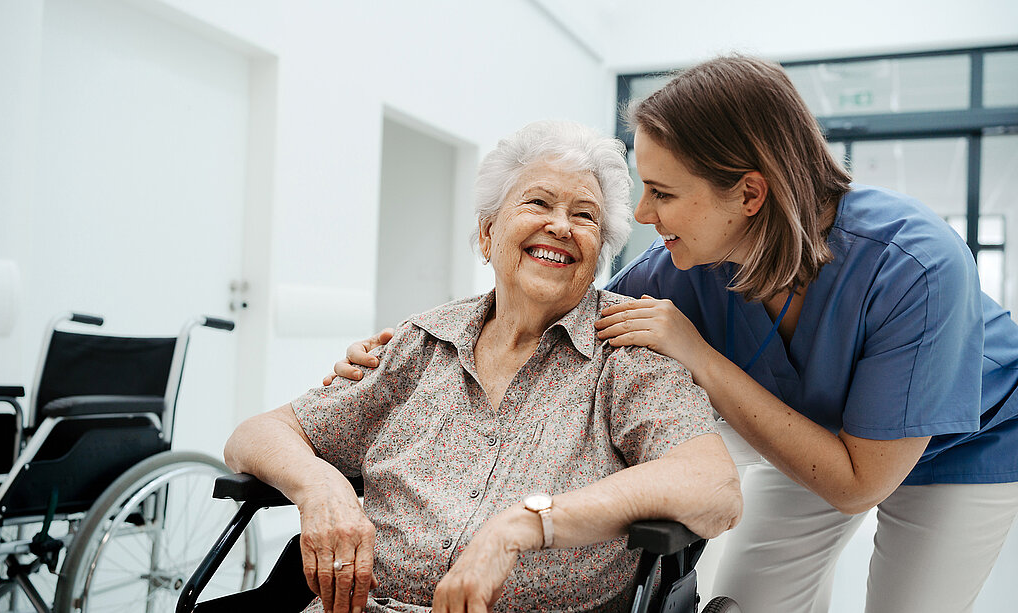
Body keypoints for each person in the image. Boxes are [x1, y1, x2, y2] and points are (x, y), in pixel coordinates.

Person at [334, 56, 1018, 613]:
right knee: (748, 600)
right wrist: (416, 348)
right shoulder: (675, 266)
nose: (639, 210)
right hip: (814, 439)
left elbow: (856, 484)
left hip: (963, 443)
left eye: (661, 191)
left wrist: (696, 352)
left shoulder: (915, 267)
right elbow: (557, 321)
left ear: (748, 195)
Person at [227, 120, 742, 613]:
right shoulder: (422, 343)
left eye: (584, 216)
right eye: (538, 203)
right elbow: (254, 435)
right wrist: (320, 486)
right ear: (488, 232)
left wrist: (523, 524)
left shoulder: (626, 354)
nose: (560, 226)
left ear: (600, 251)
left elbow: (713, 485)